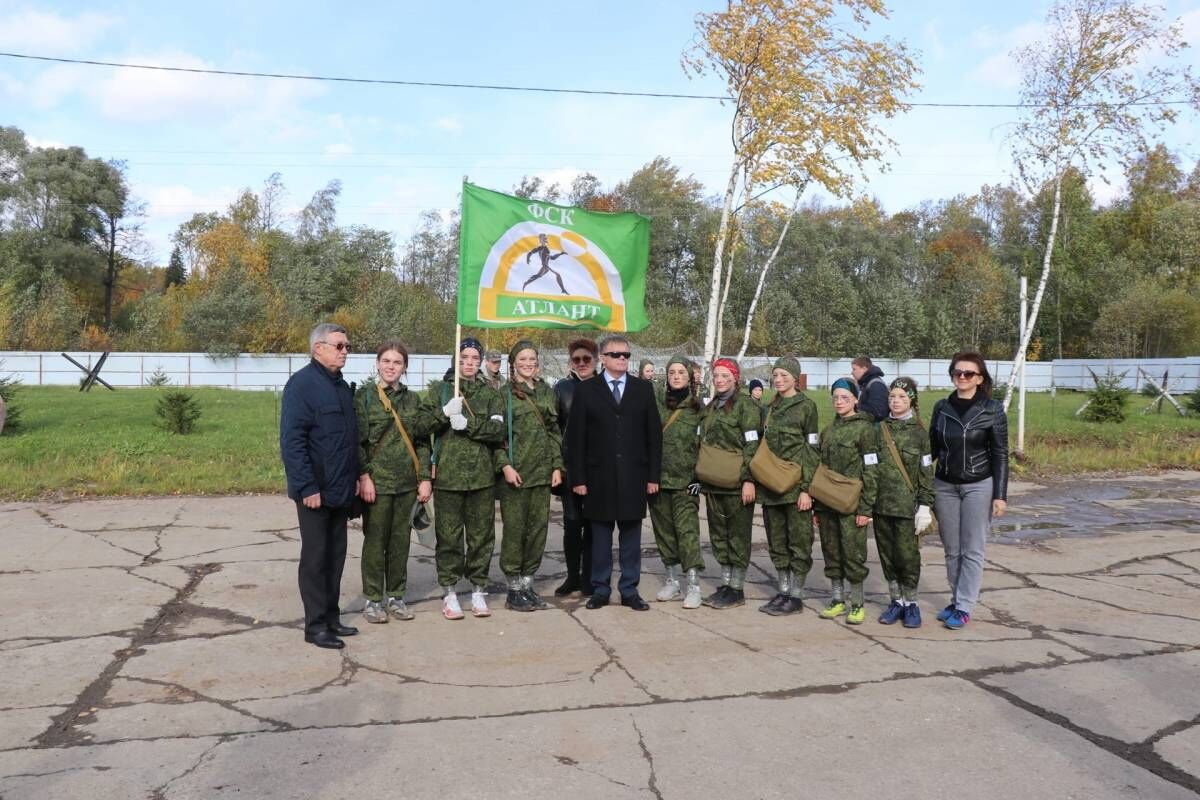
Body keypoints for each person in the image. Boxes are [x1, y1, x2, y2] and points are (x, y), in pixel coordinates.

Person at [566, 334, 662, 611]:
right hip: (599, 479)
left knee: (631, 537)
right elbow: (577, 439)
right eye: (617, 354)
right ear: (603, 358)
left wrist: (653, 476)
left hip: (634, 477)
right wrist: (579, 479)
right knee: (600, 538)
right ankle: (600, 588)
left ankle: (629, 589)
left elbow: (653, 436)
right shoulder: (586, 390)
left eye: (626, 355)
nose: (622, 359)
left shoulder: (643, 390)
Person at [280, 323, 361, 650]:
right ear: (319, 348)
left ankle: (331, 616)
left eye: (347, 346)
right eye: (339, 346)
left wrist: (355, 478)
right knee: (315, 559)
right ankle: (315, 626)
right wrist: (307, 486)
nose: (345, 352)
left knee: (336, 556)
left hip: (340, 488)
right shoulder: (302, 385)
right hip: (315, 491)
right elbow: (292, 442)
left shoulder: (340, 387)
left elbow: (349, 440)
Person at [354, 341, 436, 624]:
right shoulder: (364, 397)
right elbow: (359, 443)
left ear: (405, 367)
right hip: (376, 484)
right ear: (377, 364)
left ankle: (396, 596)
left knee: (401, 542)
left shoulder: (414, 401)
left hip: (406, 485)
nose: (391, 367)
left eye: (397, 362)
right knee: (375, 543)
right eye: (386, 361)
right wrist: (364, 476)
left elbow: (423, 442)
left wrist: (424, 479)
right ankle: (373, 599)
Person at [425, 338, 506, 620]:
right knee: (448, 537)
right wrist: (444, 412)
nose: (469, 363)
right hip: (448, 478)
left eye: (474, 358)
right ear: (455, 359)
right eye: (463, 357)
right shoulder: (440, 390)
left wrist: (468, 424)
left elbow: (498, 430)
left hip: (481, 477)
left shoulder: (490, 393)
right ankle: (449, 592)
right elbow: (421, 426)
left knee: (481, 537)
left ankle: (478, 589)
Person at [930, 353, 1009, 631]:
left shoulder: (992, 409)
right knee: (952, 550)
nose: (962, 377)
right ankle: (955, 600)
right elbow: (931, 451)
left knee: (972, 549)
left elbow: (1000, 454)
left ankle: (964, 606)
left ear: (980, 378)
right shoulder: (941, 407)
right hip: (945, 485)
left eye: (969, 373)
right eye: (958, 372)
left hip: (979, 484)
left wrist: (1000, 494)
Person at [496, 340, 563, 611]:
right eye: (522, 359)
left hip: (541, 473)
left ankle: (527, 583)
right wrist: (505, 466)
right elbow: (496, 436)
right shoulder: (504, 395)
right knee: (515, 531)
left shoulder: (547, 392)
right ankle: (513, 588)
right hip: (516, 474)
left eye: (531, 359)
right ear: (513, 364)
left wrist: (557, 466)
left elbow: (554, 431)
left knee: (537, 531)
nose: (527, 364)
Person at [756, 357, 820, 616]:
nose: (779, 379)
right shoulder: (769, 407)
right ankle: (783, 591)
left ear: (796, 377)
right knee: (777, 540)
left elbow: (812, 448)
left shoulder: (807, 406)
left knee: (799, 541)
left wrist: (807, 488)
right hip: (771, 485)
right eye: (776, 375)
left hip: (795, 486)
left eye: (784, 375)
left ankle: (796, 594)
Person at [698, 357, 761, 609]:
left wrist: (749, 480)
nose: (720, 380)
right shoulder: (712, 406)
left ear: (735, 378)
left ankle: (737, 588)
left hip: (736, 483)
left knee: (738, 536)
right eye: (716, 376)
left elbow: (752, 445)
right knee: (719, 536)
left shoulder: (746, 406)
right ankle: (725, 584)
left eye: (725, 375)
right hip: (713, 482)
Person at [815, 378, 879, 625]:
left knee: (853, 553)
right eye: (835, 398)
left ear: (855, 399)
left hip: (852, 504)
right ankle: (837, 599)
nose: (839, 402)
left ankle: (857, 603)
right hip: (829, 502)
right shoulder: (828, 431)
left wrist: (866, 507)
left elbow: (872, 469)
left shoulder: (865, 429)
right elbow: (821, 468)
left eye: (844, 397)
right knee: (831, 551)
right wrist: (818, 505)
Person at [873, 377, 935, 629]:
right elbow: (870, 467)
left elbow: (926, 471)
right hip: (881, 506)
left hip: (907, 509)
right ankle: (895, 601)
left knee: (908, 558)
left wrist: (925, 506)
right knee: (887, 556)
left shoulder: (920, 433)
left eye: (901, 397)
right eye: (892, 397)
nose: (895, 401)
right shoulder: (878, 430)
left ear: (911, 400)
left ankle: (911, 604)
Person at [649, 355, 705, 608]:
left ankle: (693, 585)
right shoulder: (656, 404)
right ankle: (672, 580)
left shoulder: (698, 408)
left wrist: (700, 478)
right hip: (658, 481)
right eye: (672, 372)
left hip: (685, 483)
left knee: (687, 534)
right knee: (664, 533)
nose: (676, 376)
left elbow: (706, 446)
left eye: (681, 372)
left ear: (690, 377)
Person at [553, 337, 598, 596]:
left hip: (597, 469)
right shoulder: (562, 388)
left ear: (595, 360)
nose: (581, 364)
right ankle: (572, 576)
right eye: (576, 359)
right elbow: (554, 428)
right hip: (570, 467)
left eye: (586, 359)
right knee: (572, 524)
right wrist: (557, 465)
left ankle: (589, 576)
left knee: (593, 525)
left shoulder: (605, 387)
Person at [851, 356, 889, 422]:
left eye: (854, 369)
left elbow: (879, 412)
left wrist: (857, 404)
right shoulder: (866, 382)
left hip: (876, 428)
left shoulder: (876, 384)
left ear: (864, 369)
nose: (852, 372)